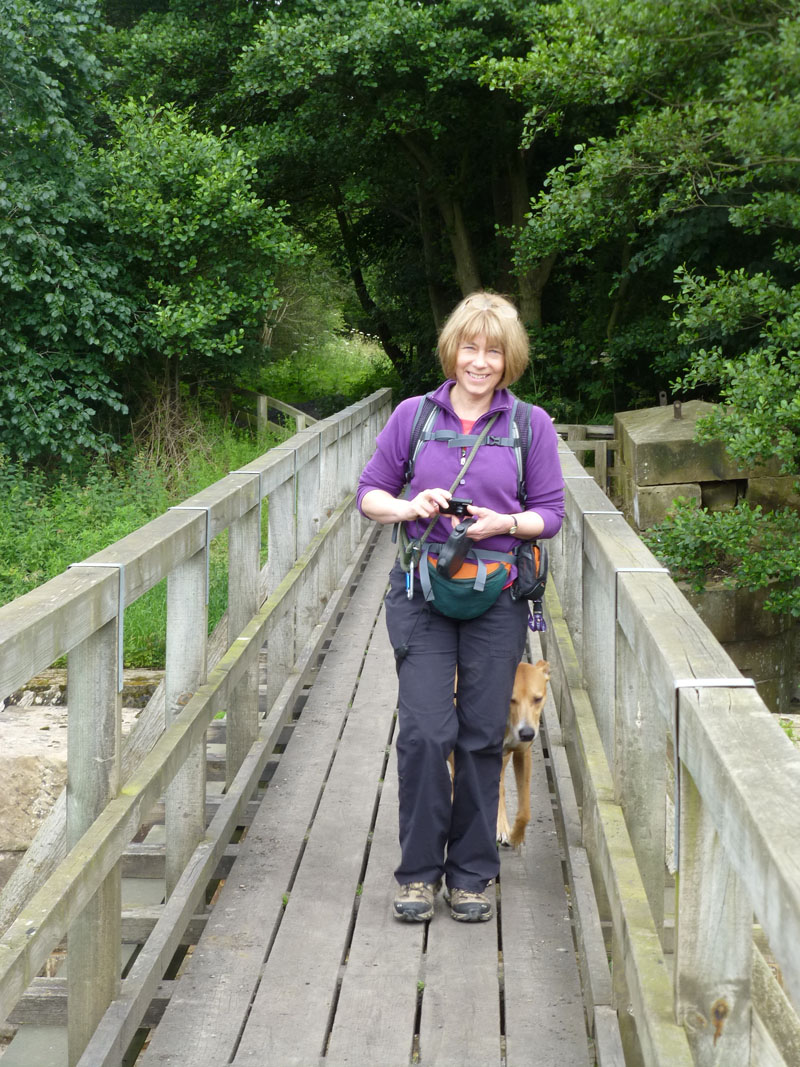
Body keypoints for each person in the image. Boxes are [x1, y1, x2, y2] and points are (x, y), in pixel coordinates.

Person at [357, 291, 565, 923]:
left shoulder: (530, 425)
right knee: (424, 731)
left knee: (481, 734)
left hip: (497, 597)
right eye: (470, 347)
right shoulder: (413, 416)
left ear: (509, 358)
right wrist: (409, 505)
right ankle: (419, 874)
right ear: (453, 349)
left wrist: (507, 520)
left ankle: (473, 874)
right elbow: (369, 493)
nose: (480, 361)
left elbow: (549, 514)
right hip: (421, 593)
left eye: (493, 350)